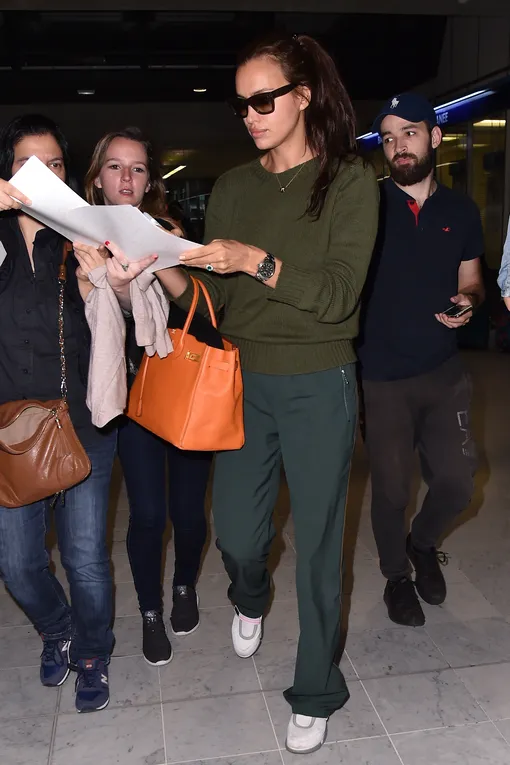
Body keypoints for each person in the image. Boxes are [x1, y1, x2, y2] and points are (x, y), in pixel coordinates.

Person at [139, 32, 379, 754]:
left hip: (320, 381)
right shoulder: (236, 187)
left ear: (303, 96)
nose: (250, 115)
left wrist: (257, 259)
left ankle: (316, 689)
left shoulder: (349, 181)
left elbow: (338, 296)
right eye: (241, 104)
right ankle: (250, 595)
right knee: (239, 537)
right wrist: (162, 263)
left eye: (263, 100)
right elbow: (215, 298)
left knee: (320, 546)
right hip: (243, 376)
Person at [0, 115, 149, 713]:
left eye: (55, 164)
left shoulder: (86, 233)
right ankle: (56, 627)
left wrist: (108, 284)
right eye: (27, 163)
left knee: (86, 559)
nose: (42, 174)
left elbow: (132, 314)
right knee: (17, 564)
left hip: (83, 421)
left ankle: (91, 651)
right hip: (10, 428)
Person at [82, 127, 214, 667]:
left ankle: (184, 586)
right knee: (148, 514)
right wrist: (111, 284)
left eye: (137, 168)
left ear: (149, 179)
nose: (126, 177)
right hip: (134, 397)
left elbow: (205, 317)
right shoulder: (78, 241)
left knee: (189, 512)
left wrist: (164, 258)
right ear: (98, 177)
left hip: (183, 386)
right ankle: (150, 611)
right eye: (115, 166)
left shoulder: (170, 233)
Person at [357, 93, 484, 628]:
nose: (398, 146)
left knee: (458, 483)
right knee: (390, 489)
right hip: (382, 375)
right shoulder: (365, 205)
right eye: (388, 138)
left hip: (443, 370)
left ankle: (423, 543)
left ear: (434, 136)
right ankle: (396, 577)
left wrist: (469, 301)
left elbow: (472, 280)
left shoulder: (461, 210)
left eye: (409, 132)